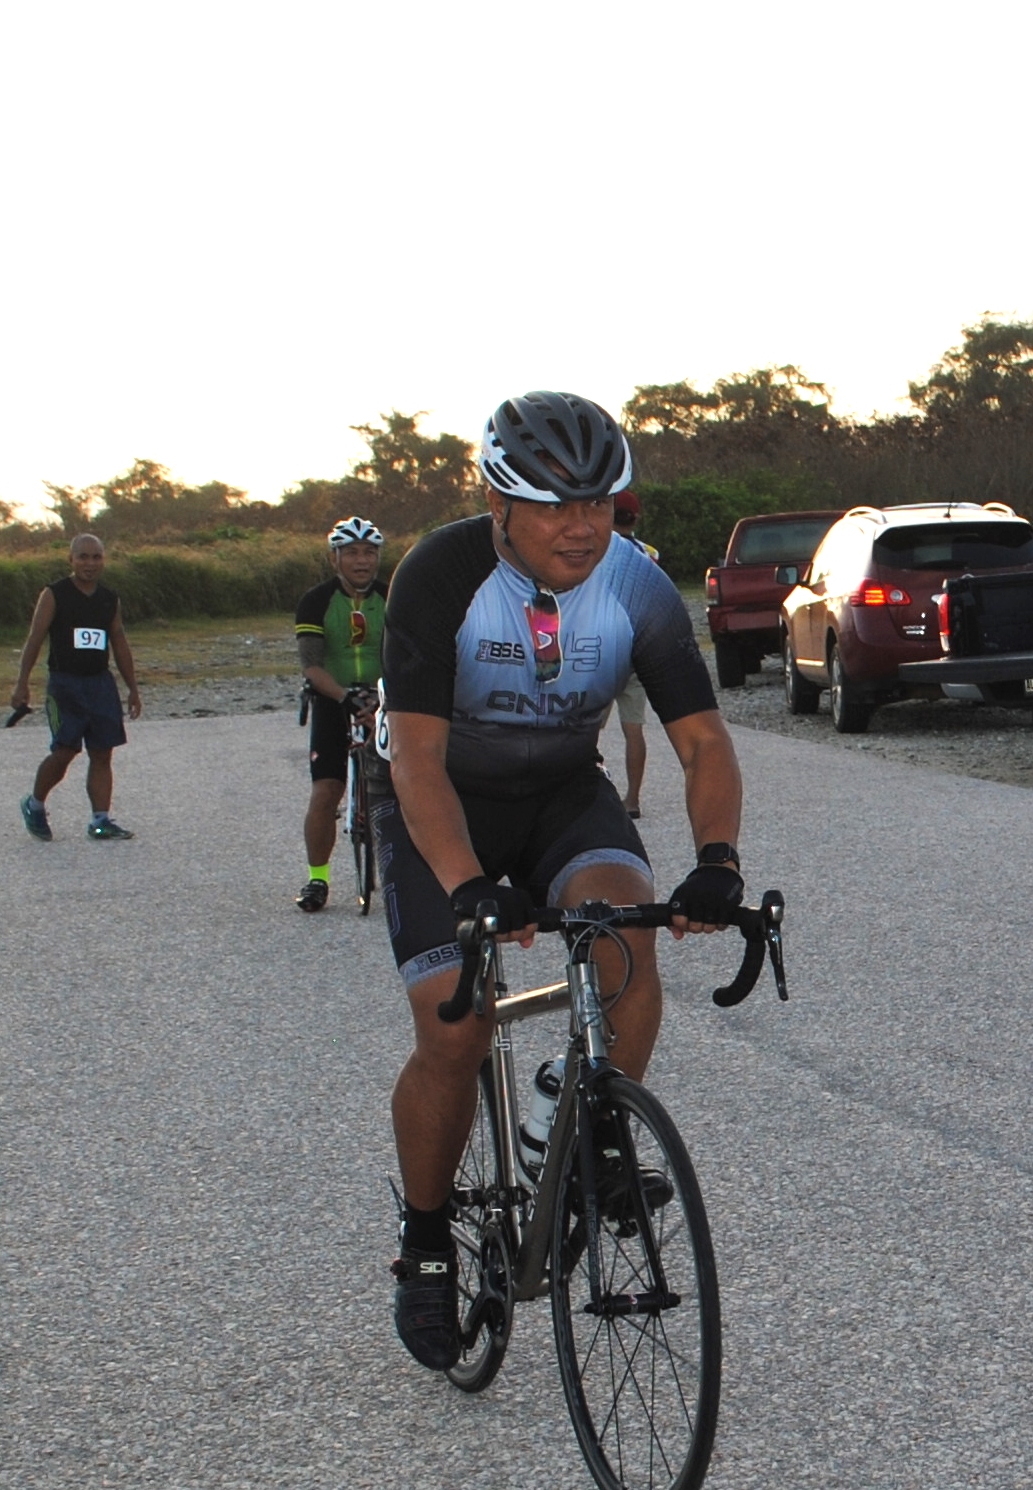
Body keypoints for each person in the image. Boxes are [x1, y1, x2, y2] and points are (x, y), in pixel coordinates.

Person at [377, 390, 748, 1370]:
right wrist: (465, 884)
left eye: (597, 501)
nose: (582, 525)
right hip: (439, 800)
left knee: (624, 948)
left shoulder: (635, 585)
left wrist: (716, 860)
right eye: (552, 504)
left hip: (558, 794)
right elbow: (413, 761)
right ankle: (424, 1243)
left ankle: (589, 1124)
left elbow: (703, 739)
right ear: (498, 502)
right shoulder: (439, 575)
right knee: (452, 1028)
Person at [13, 534, 141, 841]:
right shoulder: (55, 594)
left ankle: (101, 820)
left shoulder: (109, 599)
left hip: (99, 684)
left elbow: (119, 642)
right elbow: (34, 639)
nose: (90, 563)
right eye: (83, 557)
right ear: (71, 559)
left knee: (101, 753)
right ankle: (35, 805)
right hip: (65, 685)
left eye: (96, 557)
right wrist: (21, 684)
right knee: (64, 751)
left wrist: (133, 688)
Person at [293, 517, 389, 910]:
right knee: (326, 789)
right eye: (351, 553)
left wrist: (385, 699)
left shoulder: (393, 596)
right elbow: (312, 666)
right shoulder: (316, 601)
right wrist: (347, 698)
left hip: (385, 700)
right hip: (333, 698)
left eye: (369, 552)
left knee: (411, 785)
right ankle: (318, 879)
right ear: (335, 559)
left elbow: (410, 653)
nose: (361, 561)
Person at [610, 491, 656, 816]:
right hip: (637, 649)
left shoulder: (600, 552)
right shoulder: (649, 554)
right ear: (636, 519)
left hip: (603, 649)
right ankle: (633, 799)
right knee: (633, 728)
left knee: (583, 730)